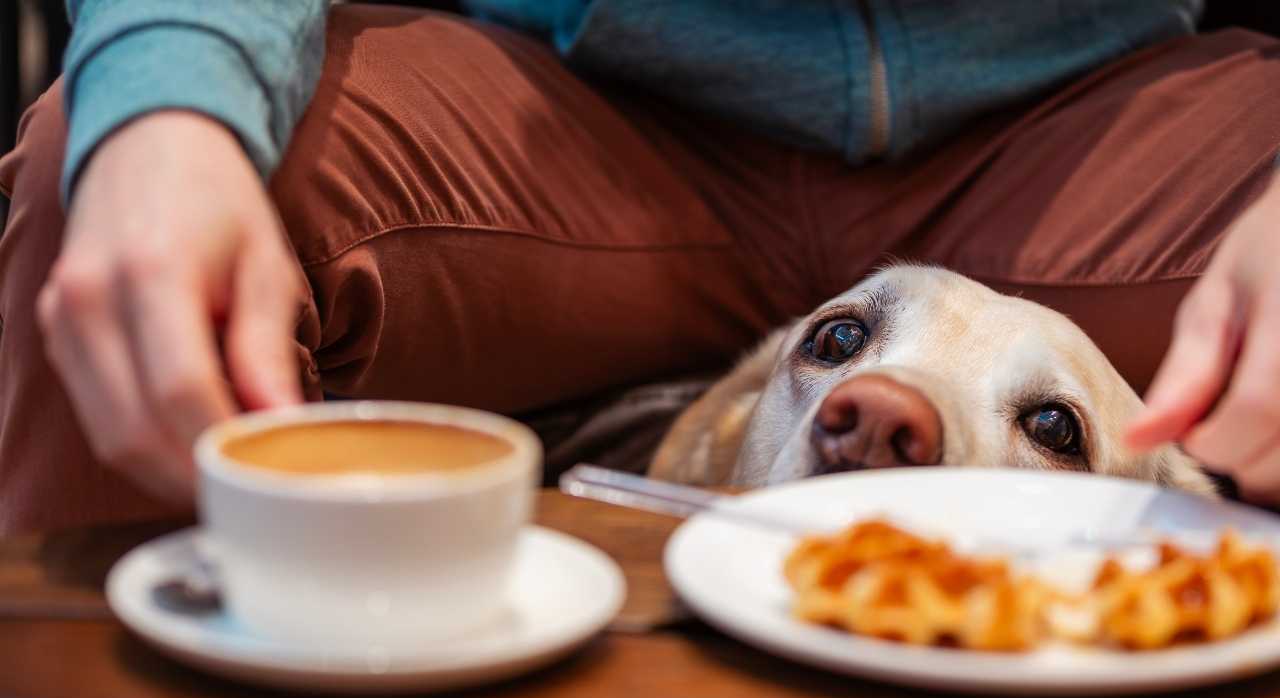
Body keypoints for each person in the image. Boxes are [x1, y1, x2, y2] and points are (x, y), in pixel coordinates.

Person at [1, 1, 1278, 534]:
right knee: (109, 156)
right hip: (579, 112)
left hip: (1086, 117)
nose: (871, 409)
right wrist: (173, 97)